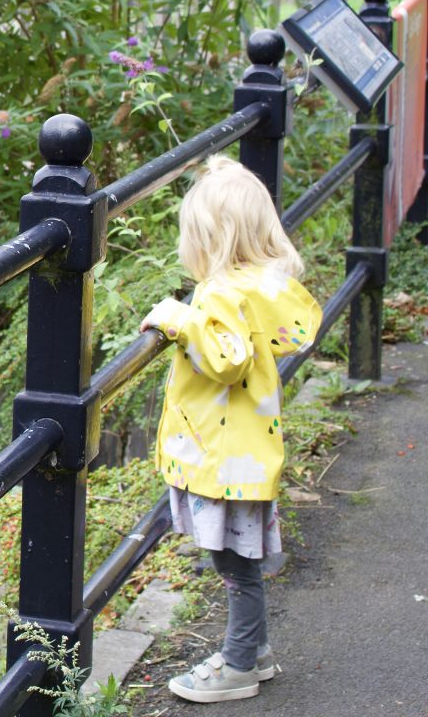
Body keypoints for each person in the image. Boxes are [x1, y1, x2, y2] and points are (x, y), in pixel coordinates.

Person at [139, 156, 322, 704]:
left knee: (235, 567)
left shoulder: (220, 293)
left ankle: (240, 664)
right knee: (240, 561)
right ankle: (255, 652)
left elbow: (226, 360)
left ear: (210, 239)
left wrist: (178, 317)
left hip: (224, 456)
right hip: (246, 449)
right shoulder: (264, 288)